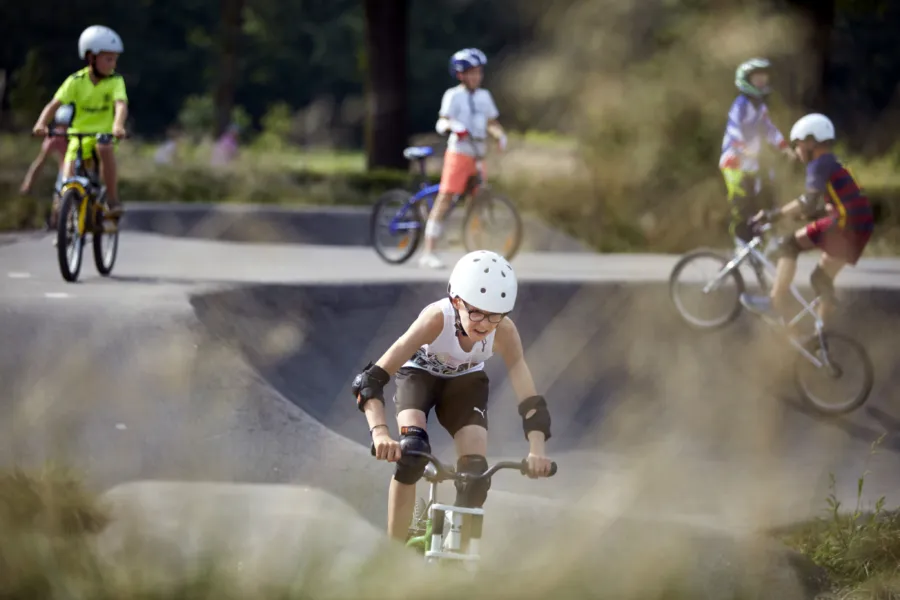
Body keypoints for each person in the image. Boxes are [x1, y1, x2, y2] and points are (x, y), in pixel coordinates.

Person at [352, 249, 554, 542]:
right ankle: (393, 552)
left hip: (465, 385)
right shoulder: (437, 319)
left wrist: (537, 450)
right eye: (475, 312)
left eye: (494, 315)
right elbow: (368, 381)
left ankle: (458, 554)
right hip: (419, 379)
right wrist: (380, 433)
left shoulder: (505, 332)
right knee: (412, 453)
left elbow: (530, 400)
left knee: (475, 473)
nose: (483, 324)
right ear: (456, 300)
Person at [740, 113, 874, 331]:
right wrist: (809, 214)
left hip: (844, 225)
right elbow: (836, 203)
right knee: (820, 278)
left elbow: (809, 201)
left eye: (798, 144)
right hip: (860, 227)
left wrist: (775, 214)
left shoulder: (819, 164)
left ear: (812, 142)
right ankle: (822, 333)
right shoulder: (834, 162)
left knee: (788, 245)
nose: (796, 151)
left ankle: (775, 303)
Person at [418, 48, 509, 270]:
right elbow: (442, 122)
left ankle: (477, 253)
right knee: (446, 198)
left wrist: (500, 135)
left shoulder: (484, 96)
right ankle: (429, 251)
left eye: (479, 72)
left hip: (478, 155)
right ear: (461, 75)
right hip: (459, 152)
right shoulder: (453, 96)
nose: (477, 77)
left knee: (478, 200)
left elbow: (491, 123)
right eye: (472, 73)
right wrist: (453, 126)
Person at [31, 25, 128, 218]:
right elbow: (54, 104)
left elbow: (120, 105)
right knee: (68, 174)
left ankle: (111, 198)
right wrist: (41, 123)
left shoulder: (115, 81)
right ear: (91, 57)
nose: (113, 65)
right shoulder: (76, 81)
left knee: (104, 148)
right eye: (108, 59)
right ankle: (65, 216)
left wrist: (117, 125)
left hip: (104, 133)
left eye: (115, 60)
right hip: (78, 134)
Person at [720, 58, 797, 245]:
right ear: (746, 80)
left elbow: (769, 129)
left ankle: (759, 242)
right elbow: (733, 129)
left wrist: (784, 146)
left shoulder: (760, 107)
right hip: (734, 161)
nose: (762, 80)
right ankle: (741, 244)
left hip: (752, 163)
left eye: (764, 77)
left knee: (762, 201)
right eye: (757, 77)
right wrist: (744, 149)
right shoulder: (740, 105)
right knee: (742, 204)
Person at [20, 104, 73, 227]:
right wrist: (28, 183)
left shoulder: (81, 134)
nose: (63, 130)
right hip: (64, 171)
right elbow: (40, 161)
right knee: (58, 203)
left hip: (82, 169)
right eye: (61, 125)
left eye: (67, 125)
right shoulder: (55, 137)